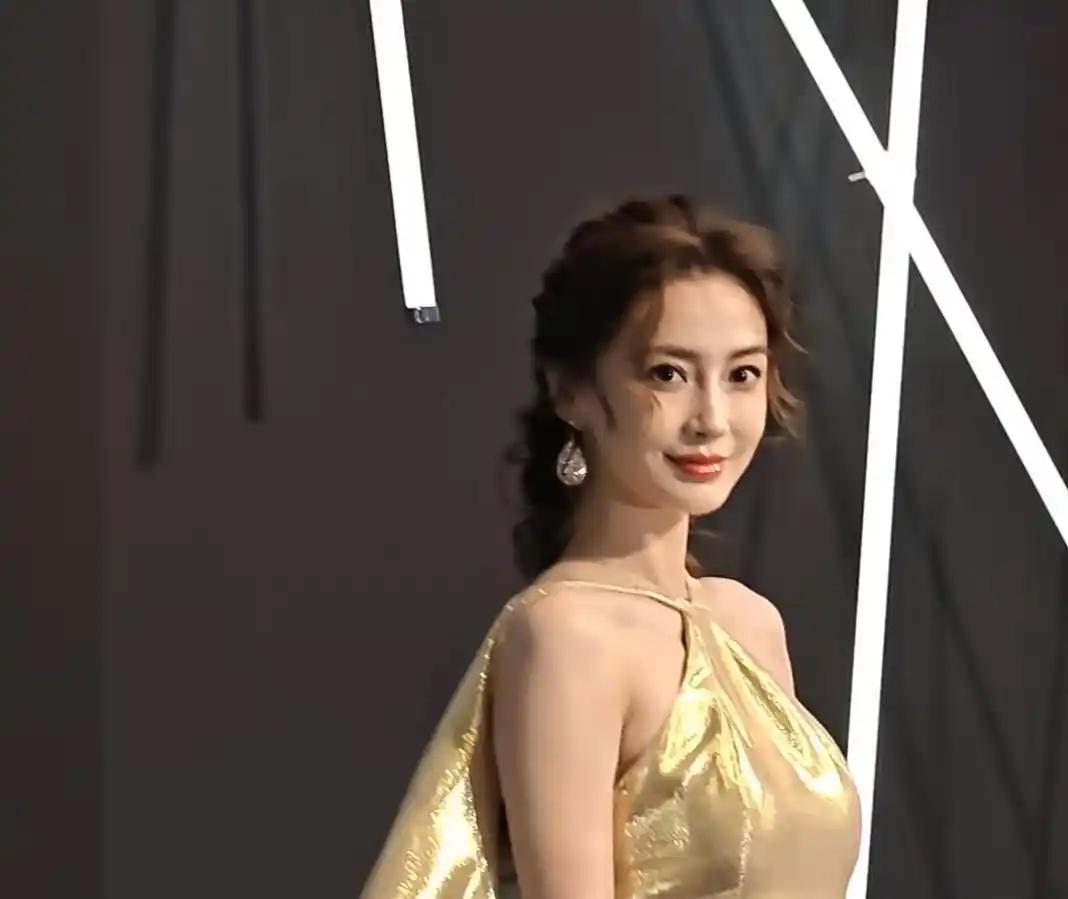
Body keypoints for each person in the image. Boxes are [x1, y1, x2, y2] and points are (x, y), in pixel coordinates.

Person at [359, 194, 861, 898]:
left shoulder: (750, 623)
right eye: (667, 374)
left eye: (742, 374)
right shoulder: (567, 638)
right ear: (571, 390)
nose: (712, 419)